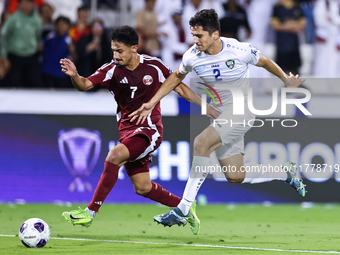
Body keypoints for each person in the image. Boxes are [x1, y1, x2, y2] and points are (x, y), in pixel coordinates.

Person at [130, 9, 306, 234]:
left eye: (199, 35)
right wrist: (153, 101)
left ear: (215, 35)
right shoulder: (192, 55)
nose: (195, 40)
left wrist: (285, 80)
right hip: (223, 115)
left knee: (201, 143)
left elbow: (264, 62)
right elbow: (175, 78)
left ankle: (183, 208)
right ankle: (284, 172)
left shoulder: (238, 49)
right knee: (234, 175)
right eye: (193, 35)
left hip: (243, 110)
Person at [60, 26, 219, 233]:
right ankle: (185, 206)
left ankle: (90, 213)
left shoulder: (154, 66)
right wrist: (75, 76)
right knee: (142, 187)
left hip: (149, 130)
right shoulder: (111, 70)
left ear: (134, 48)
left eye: (120, 51)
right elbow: (85, 85)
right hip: (127, 132)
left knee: (114, 155)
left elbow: (179, 87)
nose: (115, 56)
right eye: (113, 51)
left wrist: (206, 107)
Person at [0, 0, 43, 87]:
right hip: (14, 57)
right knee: (14, 84)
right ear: (19, 4)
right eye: (23, 3)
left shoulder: (37, 20)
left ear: (32, 5)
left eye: (28, 3)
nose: (25, 6)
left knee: (34, 84)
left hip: (31, 56)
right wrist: (3, 57)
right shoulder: (12, 19)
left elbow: (38, 36)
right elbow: (3, 37)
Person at [271, 0, 306, 75]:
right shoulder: (278, 7)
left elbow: (302, 24)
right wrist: (291, 26)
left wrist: (288, 25)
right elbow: (275, 25)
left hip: (294, 45)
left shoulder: (297, 6)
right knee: (283, 69)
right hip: (282, 44)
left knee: (294, 69)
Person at [41, 16, 75, 88]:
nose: (62, 27)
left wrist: (72, 51)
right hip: (47, 72)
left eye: (65, 25)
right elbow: (41, 48)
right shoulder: (49, 37)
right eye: (60, 24)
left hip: (62, 74)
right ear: (56, 26)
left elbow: (75, 57)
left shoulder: (69, 41)